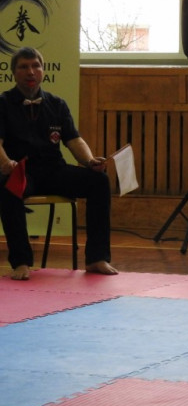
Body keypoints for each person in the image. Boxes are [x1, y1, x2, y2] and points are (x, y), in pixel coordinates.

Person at [0, 46, 118, 280]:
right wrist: (5, 163)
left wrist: (89, 161)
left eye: (36, 66)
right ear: (14, 72)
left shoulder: (57, 104)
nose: (30, 72)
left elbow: (74, 140)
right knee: (8, 186)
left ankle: (97, 258)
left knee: (98, 181)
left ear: (43, 70)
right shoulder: (3, 103)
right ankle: (21, 262)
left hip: (54, 170)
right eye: (24, 67)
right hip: (22, 173)